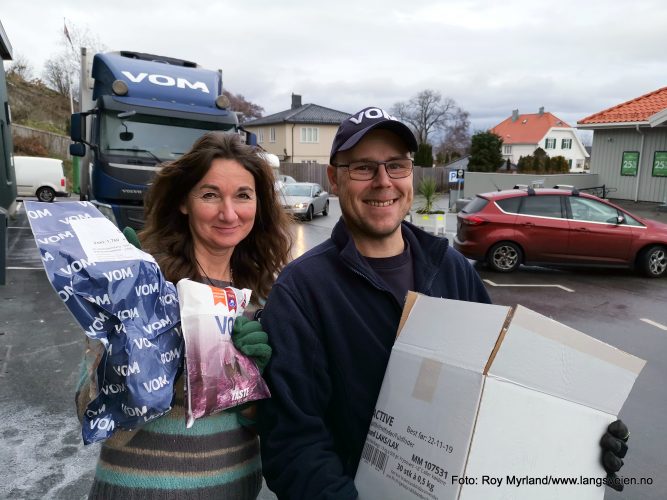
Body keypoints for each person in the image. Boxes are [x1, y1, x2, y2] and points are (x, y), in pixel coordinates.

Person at [257, 107, 630, 498]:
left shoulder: (451, 268)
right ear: (334, 179)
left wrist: (578, 439)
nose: (383, 182)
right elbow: (294, 445)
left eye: (396, 166)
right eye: (363, 168)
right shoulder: (301, 291)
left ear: (411, 175)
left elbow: (503, 386)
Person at [76, 132, 292, 499]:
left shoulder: (263, 298)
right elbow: (89, 411)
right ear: (183, 202)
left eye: (243, 195)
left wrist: (248, 380)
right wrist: (126, 334)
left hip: (233, 488)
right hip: (139, 490)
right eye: (210, 195)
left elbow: (259, 424)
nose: (229, 212)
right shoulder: (145, 283)